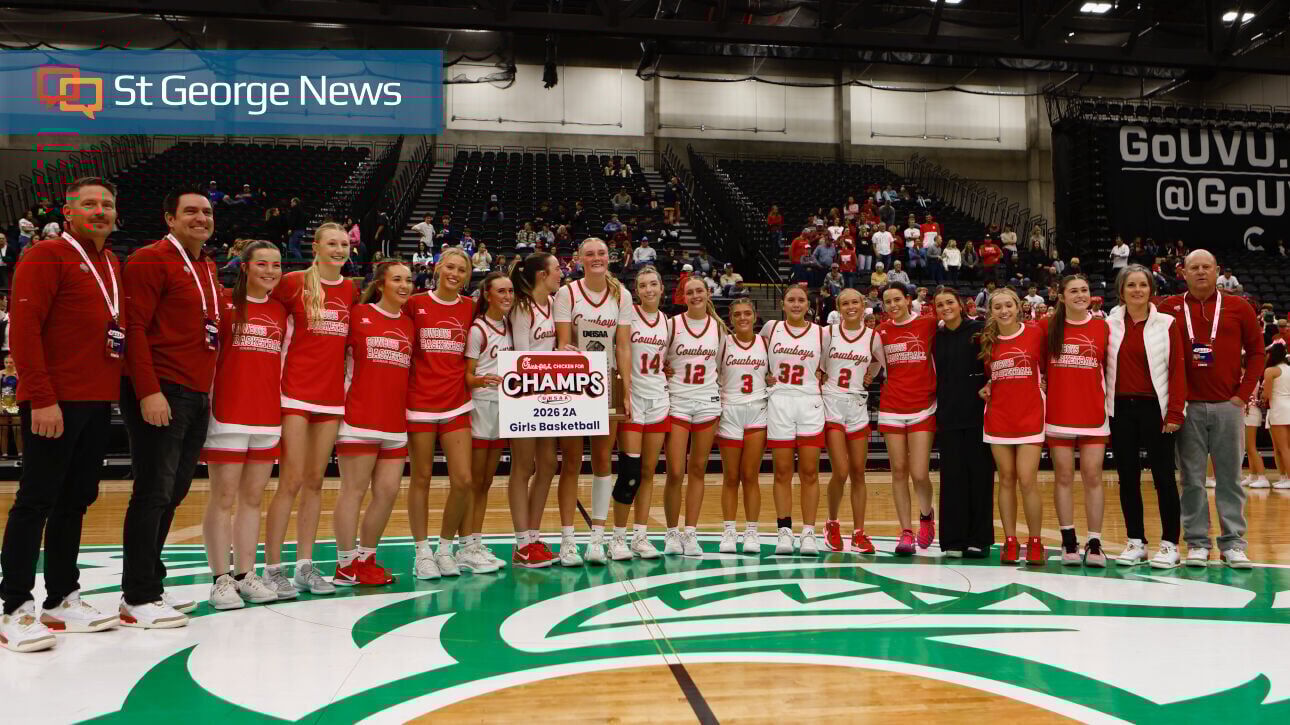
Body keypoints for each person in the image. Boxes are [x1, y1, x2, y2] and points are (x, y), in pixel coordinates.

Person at [0, 178, 123, 652]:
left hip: (95, 399)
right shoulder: (44, 255)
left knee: (76, 500)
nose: (100, 211)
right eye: (89, 204)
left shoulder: (110, 262)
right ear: (67, 213)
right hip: (54, 400)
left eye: (108, 204)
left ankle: (62, 597)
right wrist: (42, 395)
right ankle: (14, 607)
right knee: (36, 501)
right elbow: (25, 330)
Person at [120, 186, 221, 627]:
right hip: (163, 388)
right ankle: (137, 596)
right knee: (153, 492)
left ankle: (151, 585)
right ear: (170, 218)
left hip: (196, 393)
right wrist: (148, 390)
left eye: (206, 212)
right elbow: (134, 328)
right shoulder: (149, 259)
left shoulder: (205, 265)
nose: (201, 218)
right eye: (191, 212)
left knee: (174, 491)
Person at [262, 222, 354, 598]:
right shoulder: (292, 282)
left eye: (344, 244)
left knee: (316, 482)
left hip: (331, 398)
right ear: (315, 245)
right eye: (331, 243)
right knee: (291, 481)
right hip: (294, 394)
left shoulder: (351, 289)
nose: (339, 249)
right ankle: (272, 568)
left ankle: (304, 565)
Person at [1158, 249, 1264, 568]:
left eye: (1207, 267)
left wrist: (1242, 395)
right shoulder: (1168, 308)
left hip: (1228, 406)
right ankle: (1197, 543)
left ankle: (1233, 542)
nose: (1201, 272)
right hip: (1186, 407)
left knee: (1230, 478)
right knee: (1190, 478)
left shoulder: (1238, 307)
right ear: (1184, 272)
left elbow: (1258, 353)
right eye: (1194, 267)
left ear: (1218, 270)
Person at [200, 241, 286, 609]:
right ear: (246, 267)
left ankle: (246, 574)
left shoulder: (283, 311)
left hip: (267, 415)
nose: (270, 271)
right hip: (228, 413)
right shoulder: (223, 303)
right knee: (223, 497)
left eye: (276, 265)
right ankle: (220, 578)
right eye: (262, 264)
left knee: (253, 499)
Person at [407, 247, 496, 578]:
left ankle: (446, 549)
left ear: (468, 276)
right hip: (419, 404)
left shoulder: (470, 309)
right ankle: (422, 552)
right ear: (437, 268)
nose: (455, 274)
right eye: (450, 267)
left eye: (462, 270)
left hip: (457, 402)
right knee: (422, 478)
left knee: (463, 480)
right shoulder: (415, 305)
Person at [330, 258, 414, 587]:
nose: (405, 285)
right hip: (359, 419)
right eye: (397, 279)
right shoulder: (358, 316)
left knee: (388, 492)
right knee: (353, 491)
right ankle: (345, 563)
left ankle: (366, 557)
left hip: (394, 422)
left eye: (408, 280)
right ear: (381, 284)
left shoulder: (409, 323)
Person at [554, 237, 634, 565]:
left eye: (601, 252)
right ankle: (568, 539)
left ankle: (598, 538)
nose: (597, 257)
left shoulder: (622, 295)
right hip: (575, 383)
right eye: (590, 253)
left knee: (604, 460)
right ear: (579, 259)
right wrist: (566, 352)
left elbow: (624, 346)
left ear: (609, 257)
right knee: (571, 461)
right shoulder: (567, 293)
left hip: (608, 383)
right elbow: (562, 342)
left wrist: (626, 389)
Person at [1105, 264, 1187, 568]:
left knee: (1164, 478)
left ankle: (1170, 544)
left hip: (1157, 409)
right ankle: (1136, 541)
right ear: (1121, 291)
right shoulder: (1109, 324)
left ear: (1151, 289)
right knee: (1127, 478)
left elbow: (1178, 370)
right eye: (1131, 285)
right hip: (1120, 410)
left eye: (1143, 284)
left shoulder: (1166, 323)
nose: (1137, 290)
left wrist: (1175, 411)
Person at [1040, 275, 1111, 567]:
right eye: (1074, 291)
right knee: (1064, 477)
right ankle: (1068, 540)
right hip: (1058, 415)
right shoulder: (1046, 326)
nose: (1080, 295)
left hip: (1093, 413)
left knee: (1093, 477)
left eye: (1084, 290)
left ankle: (1095, 542)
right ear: (1062, 296)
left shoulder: (1103, 327)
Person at [979, 288, 1047, 566]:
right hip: (998, 416)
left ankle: (1035, 541)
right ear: (991, 311)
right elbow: (989, 377)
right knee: (1005, 478)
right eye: (998, 307)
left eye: (1009, 305)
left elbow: (1049, 365)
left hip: (1030, 413)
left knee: (1027, 479)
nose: (1004, 311)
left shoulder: (1036, 332)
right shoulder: (987, 341)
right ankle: (1009, 541)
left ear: (1019, 307)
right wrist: (986, 387)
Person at [761, 285, 829, 555]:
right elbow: (759, 360)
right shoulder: (770, 328)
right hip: (780, 402)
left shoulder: (821, 333)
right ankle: (784, 531)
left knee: (810, 472)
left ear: (808, 305)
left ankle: (809, 532)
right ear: (782, 304)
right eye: (791, 300)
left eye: (801, 300)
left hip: (810, 402)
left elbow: (827, 366)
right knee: (782, 471)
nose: (797, 304)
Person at [660, 276, 724, 556]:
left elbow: (722, 366)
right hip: (678, 402)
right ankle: (671, 532)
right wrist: (665, 370)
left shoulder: (719, 328)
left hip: (708, 401)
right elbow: (657, 359)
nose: (695, 295)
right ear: (682, 297)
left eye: (700, 291)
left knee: (698, 470)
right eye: (690, 292)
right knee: (675, 471)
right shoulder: (672, 325)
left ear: (708, 293)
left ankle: (691, 533)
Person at [872, 283, 938, 554]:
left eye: (897, 299)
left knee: (919, 472)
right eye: (887, 301)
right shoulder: (880, 332)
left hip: (923, 405)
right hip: (892, 405)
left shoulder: (929, 324)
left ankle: (926, 516)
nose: (893, 305)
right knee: (898, 470)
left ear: (908, 299)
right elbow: (872, 363)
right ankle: (906, 532)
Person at [505, 252, 562, 566]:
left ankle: (534, 535)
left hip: (550, 397)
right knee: (523, 468)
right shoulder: (522, 308)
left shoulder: (553, 305)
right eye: (556, 269)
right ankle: (521, 542)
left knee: (549, 465)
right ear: (542, 275)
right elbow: (522, 358)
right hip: (524, 395)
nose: (560, 273)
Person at [610, 266, 670, 560]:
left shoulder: (667, 322)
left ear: (661, 288)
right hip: (632, 401)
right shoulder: (628, 316)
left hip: (658, 400)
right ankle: (617, 537)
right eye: (643, 285)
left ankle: (641, 536)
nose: (648, 290)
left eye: (653, 284)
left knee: (648, 472)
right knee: (630, 472)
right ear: (636, 291)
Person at [932, 287, 993, 558]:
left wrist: (991, 383)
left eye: (949, 302)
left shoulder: (980, 331)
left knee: (979, 477)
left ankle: (978, 539)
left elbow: (998, 363)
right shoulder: (937, 336)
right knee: (952, 478)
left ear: (960, 304)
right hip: (948, 414)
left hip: (978, 414)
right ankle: (953, 540)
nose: (945, 307)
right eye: (939, 304)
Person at [820, 289, 879, 553]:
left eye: (855, 302)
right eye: (845, 303)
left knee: (858, 472)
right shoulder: (827, 333)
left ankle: (858, 532)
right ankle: (831, 523)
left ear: (863, 305)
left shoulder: (873, 337)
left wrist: (871, 376)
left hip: (857, 407)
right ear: (838, 307)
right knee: (840, 471)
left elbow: (879, 362)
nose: (851, 306)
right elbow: (815, 364)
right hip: (832, 404)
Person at [464, 272, 516, 564]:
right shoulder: (477, 329)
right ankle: (465, 545)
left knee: (486, 482)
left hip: (503, 408)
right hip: (481, 407)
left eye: (510, 291)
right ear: (487, 295)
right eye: (501, 291)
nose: (507, 296)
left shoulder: (510, 326)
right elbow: (467, 377)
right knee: (473, 481)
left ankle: (476, 542)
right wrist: (483, 380)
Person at [716, 298, 769, 554]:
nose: (743, 318)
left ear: (755, 316)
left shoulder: (765, 343)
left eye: (747, 313)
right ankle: (728, 530)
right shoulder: (723, 344)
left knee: (750, 476)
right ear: (731, 318)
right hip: (730, 411)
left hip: (757, 410)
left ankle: (751, 531)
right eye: (737, 314)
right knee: (731, 476)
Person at [1262, 344, 1290, 491]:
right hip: (1288, 406)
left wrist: (1261, 397)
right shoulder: (1289, 369)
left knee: (1283, 448)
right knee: (1284, 448)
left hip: (1278, 409)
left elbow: (1267, 395)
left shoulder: (1270, 370)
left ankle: (1288, 478)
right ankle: (1284, 477)